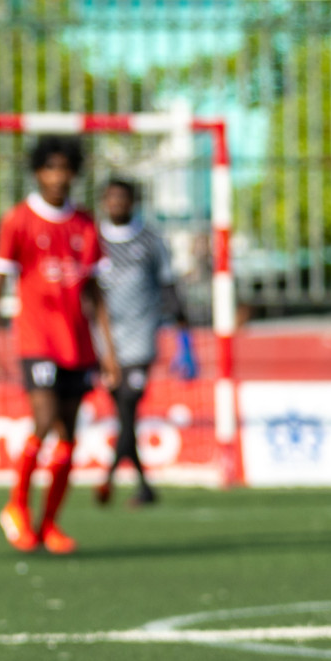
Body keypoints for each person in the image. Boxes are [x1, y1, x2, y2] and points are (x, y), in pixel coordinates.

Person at [0, 136, 120, 555]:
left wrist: (109, 350)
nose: (58, 177)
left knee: (68, 436)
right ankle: (16, 506)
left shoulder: (84, 224)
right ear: (38, 171)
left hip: (77, 344)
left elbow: (96, 294)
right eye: (50, 168)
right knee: (43, 420)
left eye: (65, 168)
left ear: (74, 172)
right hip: (36, 339)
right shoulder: (18, 220)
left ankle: (50, 524)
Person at [94, 178, 188, 507]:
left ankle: (110, 478)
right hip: (104, 341)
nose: (117, 203)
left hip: (140, 337)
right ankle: (142, 486)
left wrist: (183, 338)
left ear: (133, 201)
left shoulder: (150, 239)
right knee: (123, 410)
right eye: (111, 197)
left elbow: (168, 284)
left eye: (123, 197)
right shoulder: (93, 238)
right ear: (104, 201)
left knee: (128, 404)